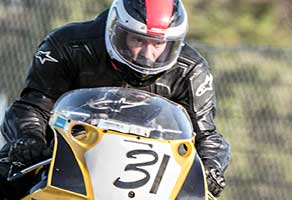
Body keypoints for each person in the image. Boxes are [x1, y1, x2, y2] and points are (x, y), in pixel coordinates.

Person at [0, 0, 230, 199]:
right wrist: (29, 139)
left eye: (158, 44)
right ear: (116, 30)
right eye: (138, 41)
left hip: (154, 175)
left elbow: (207, 136)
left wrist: (211, 168)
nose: (148, 55)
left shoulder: (191, 69)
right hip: (62, 159)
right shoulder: (67, 45)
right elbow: (33, 106)